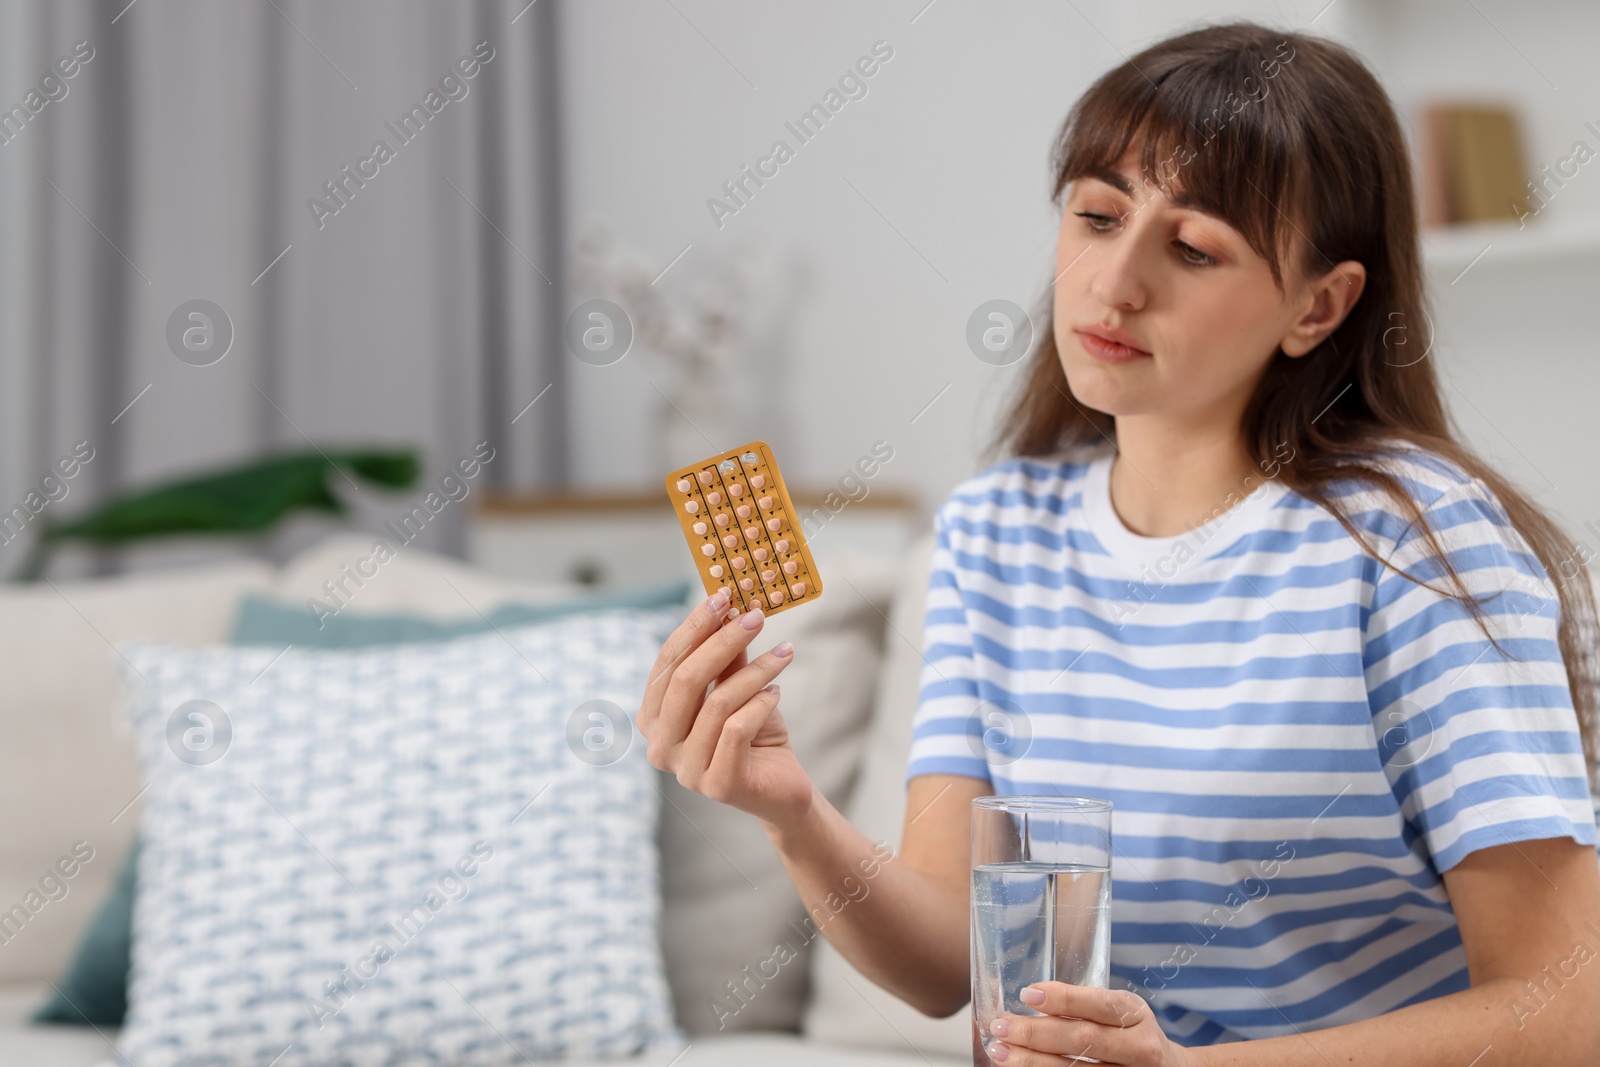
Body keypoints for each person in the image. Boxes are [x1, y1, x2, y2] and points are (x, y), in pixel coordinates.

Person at [637, 20, 1600, 1066]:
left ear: (1317, 307)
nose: (1115, 281)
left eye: (1192, 248)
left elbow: (1563, 1003)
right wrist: (790, 811)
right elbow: (945, 965)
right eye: (1097, 216)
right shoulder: (993, 533)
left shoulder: (1414, 542)